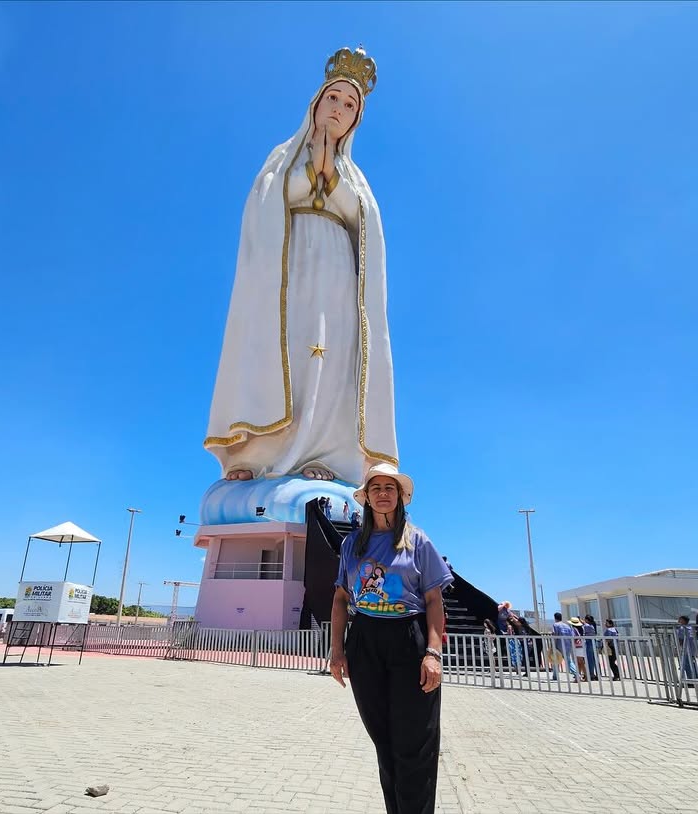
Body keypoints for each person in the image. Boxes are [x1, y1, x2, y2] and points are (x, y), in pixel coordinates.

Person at [205, 46, 397, 484]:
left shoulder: (356, 178)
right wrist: (311, 172)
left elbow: (364, 226)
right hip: (288, 269)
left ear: (355, 119)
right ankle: (258, 455)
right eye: (334, 98)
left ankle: (325, 453)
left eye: (350, 105)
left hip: (336, 271)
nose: (339, 109)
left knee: (331, 359)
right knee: (283, 348)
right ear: (317, 102)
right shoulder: (283, 156)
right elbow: (264, 205)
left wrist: (332, 177)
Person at [330, 463, 453, 814]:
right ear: (366, 498)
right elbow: (340, 598)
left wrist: (433, 653)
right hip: (365, 639)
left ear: (400, 496)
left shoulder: (418, 542)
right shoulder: (351, 544)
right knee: (383, 740)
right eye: (376, 488)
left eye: (390, 488)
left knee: (414, 742)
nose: (383, 493)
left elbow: (434, 600)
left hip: (408, 637)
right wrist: (337, 651)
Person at [550, 613, 578, 681]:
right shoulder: (567, 625)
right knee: (568, 661)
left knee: (555, 660)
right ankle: (576, 674)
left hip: (559, 646)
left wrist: (553, 646)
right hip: (567, 645)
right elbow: (571, 636)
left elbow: (554, 635)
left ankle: (555, 676)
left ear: (555, 618)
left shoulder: (555, 625)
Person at [582, 615, 599, 681]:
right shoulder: (592, 625)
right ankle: (596, 674)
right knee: (594, 659)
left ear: (587, 620)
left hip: (589, 642)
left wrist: (581, 621)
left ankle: (591, 674)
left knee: (590, 659)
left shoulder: (587, 626)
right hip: (593, 642)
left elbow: (584, 625)